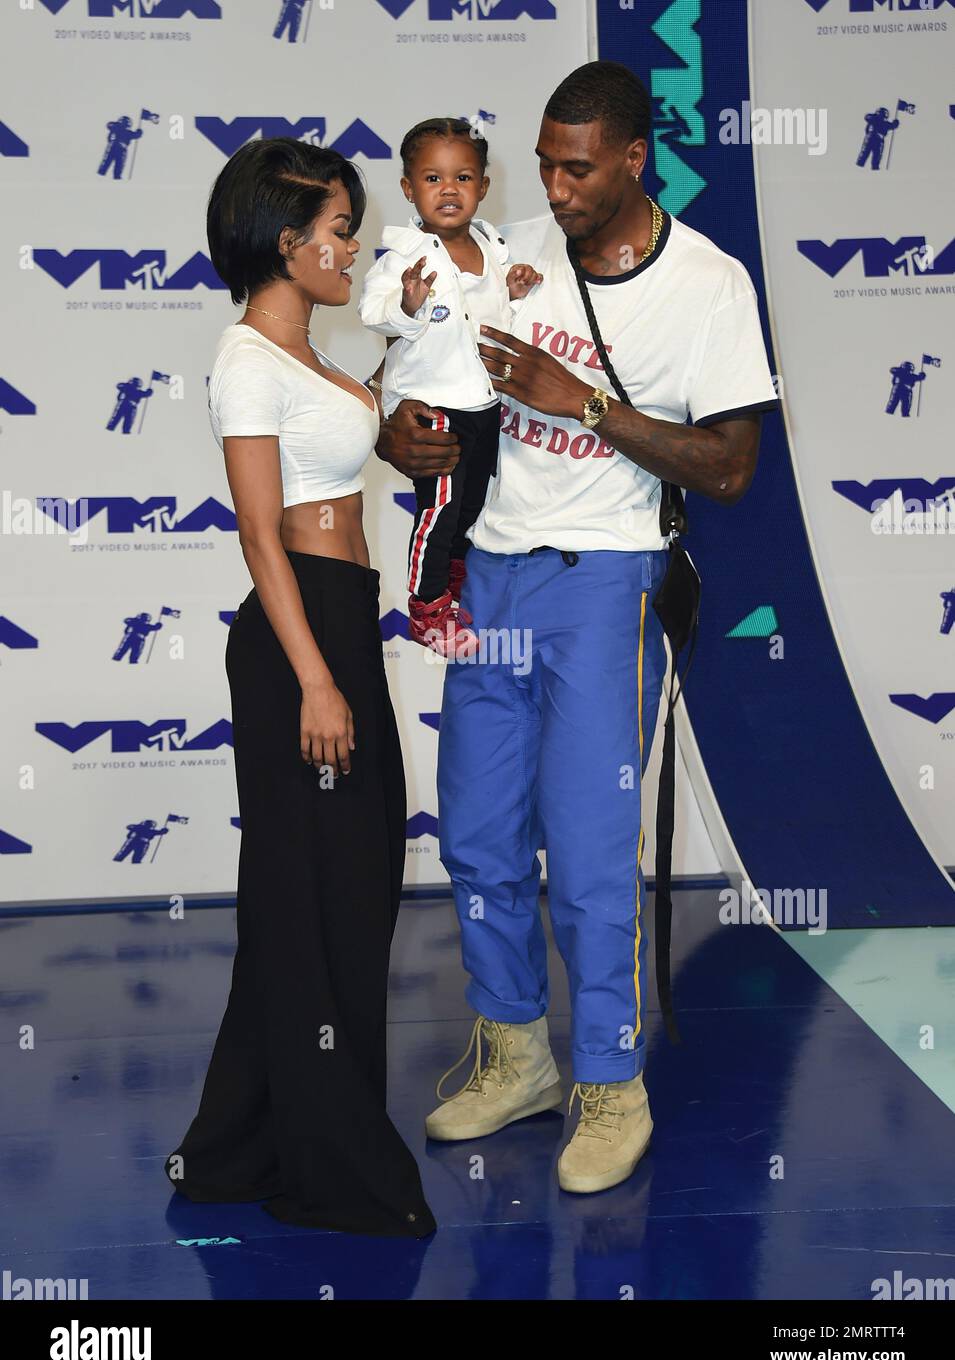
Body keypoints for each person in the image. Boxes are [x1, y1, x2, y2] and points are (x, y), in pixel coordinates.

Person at [374, 61, 778, 1196]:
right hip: (488, 581)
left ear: (634, 161)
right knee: (477, 836)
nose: (551, 186)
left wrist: (584, 402)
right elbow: (416, 379)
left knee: (593, 858)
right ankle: (516, 1057)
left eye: (576, 168)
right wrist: (403, 438)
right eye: (544, 162)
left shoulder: (706, 284)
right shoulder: (511, 256)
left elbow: (733, 466)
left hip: (608, 584)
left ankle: (611, 1081)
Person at [163, 137, 435, 1239]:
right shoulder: (245, 359)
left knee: (335, 891)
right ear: (287, 242)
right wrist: (318, 680)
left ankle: (239, 1141)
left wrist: (410, 350)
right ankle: (332, 1168)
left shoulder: (320, 360)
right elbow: (261, 532)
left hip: (340, 626)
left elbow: (358, 449)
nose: (355, 244)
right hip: (296, 643)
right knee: (319, 898)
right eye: (339, 228)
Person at [358, 117, 541, 658]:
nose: (448, 190)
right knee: (440, 507)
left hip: (484, 405)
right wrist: (406, 305)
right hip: (433, 407)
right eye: (433, 178)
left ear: (483, 188)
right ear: (408, 188)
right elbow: (374, 312)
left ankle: (455, 581)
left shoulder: (492, 251)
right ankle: (427, 604)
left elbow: (493, 316)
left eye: (463, 178)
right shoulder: (404, 259)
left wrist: (513, 289)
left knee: (470, 505)